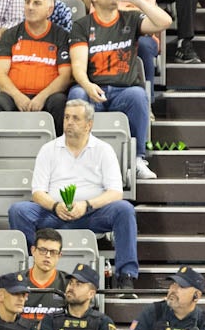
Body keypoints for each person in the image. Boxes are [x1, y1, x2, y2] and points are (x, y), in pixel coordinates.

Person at [8, 99, 137, 286]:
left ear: (89, 124)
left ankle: (126, 275)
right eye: (67, 117)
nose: (69, 122)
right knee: (18, 211)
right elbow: (37, 192)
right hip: (54, 213)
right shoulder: (48, 149)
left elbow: (115, 192)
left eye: (76, 118)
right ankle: (33, 270)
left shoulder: (103, 150)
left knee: (124, 209)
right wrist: (55, 205)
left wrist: (87, 205)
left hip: (91, 214)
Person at [70, 0, 168, 177]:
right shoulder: (82, 25)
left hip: (124, 91)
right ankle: (76, 158)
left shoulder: (131, 18)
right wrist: (88, 85)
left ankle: (138, 159)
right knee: (76, 96)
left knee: (139, 95)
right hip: (93, 88)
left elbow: (164, 22)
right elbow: (78, 66)